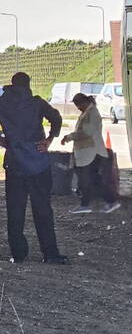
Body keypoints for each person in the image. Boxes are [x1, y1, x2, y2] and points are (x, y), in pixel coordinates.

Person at [0, 72, 68, 264]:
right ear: (28, 84)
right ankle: (50, 253)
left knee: (15, 211)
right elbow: (56, 118)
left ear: (12, 85)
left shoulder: (2, 103)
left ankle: (18, 254)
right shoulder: (37, 102)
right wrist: (49, 140)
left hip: (14, 164)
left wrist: (3, 140)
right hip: (38, 163)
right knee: (43, 210)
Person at [61, 93, 119, 214]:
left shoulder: (92, 113)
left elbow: (87, 132)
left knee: (88, 180)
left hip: (92, 153)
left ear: (84, 102)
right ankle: (95, 202)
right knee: (89, 180)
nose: (77, 108)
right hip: (86, 153)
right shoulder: (87, 113)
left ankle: (94, 203)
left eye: (78, 105)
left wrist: (70, 137)